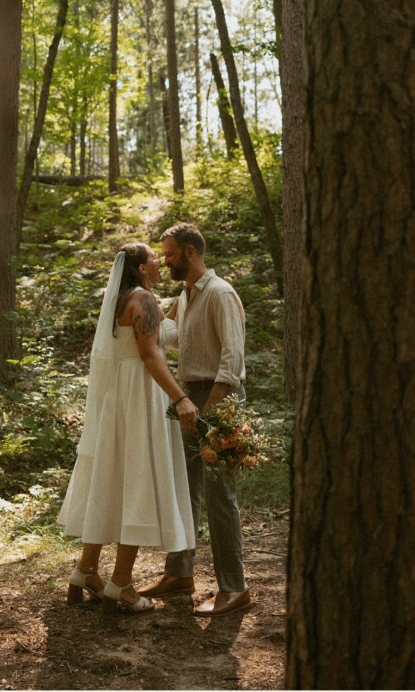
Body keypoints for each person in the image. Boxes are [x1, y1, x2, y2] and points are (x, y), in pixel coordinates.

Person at [57, 242, 198, 614]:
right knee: (136, 478)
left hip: (117, 397)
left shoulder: (121, 300)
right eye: (152, 257)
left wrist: (181, 304)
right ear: (139, 268)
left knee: (112, 478)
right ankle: (120, 583)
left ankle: (85, 570)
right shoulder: (144, 302)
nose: (158, 261)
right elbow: (151, 354)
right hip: (142, 396)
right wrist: (180, 397)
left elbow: (152, 333)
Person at [139, 223, 250, 616]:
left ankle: (234, 589)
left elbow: (232, 361)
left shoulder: (220, 294)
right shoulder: (185, 297)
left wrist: (208, 413)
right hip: (188, 397)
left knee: (221, 496)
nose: (164, 260)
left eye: (168, 254)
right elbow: (165, 336)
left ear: (188, 252)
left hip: (218, 400)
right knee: (184, 490)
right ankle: (180, 574)